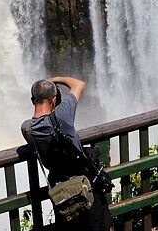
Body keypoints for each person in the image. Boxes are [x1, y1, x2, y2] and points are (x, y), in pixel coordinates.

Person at [22, 76, 113, 231]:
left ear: (32, 100)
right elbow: (79, 84)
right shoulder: (62, 115)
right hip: (85, 184)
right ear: (54, 99)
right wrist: (56, 79)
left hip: (61, 191)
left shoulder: (28, 129)